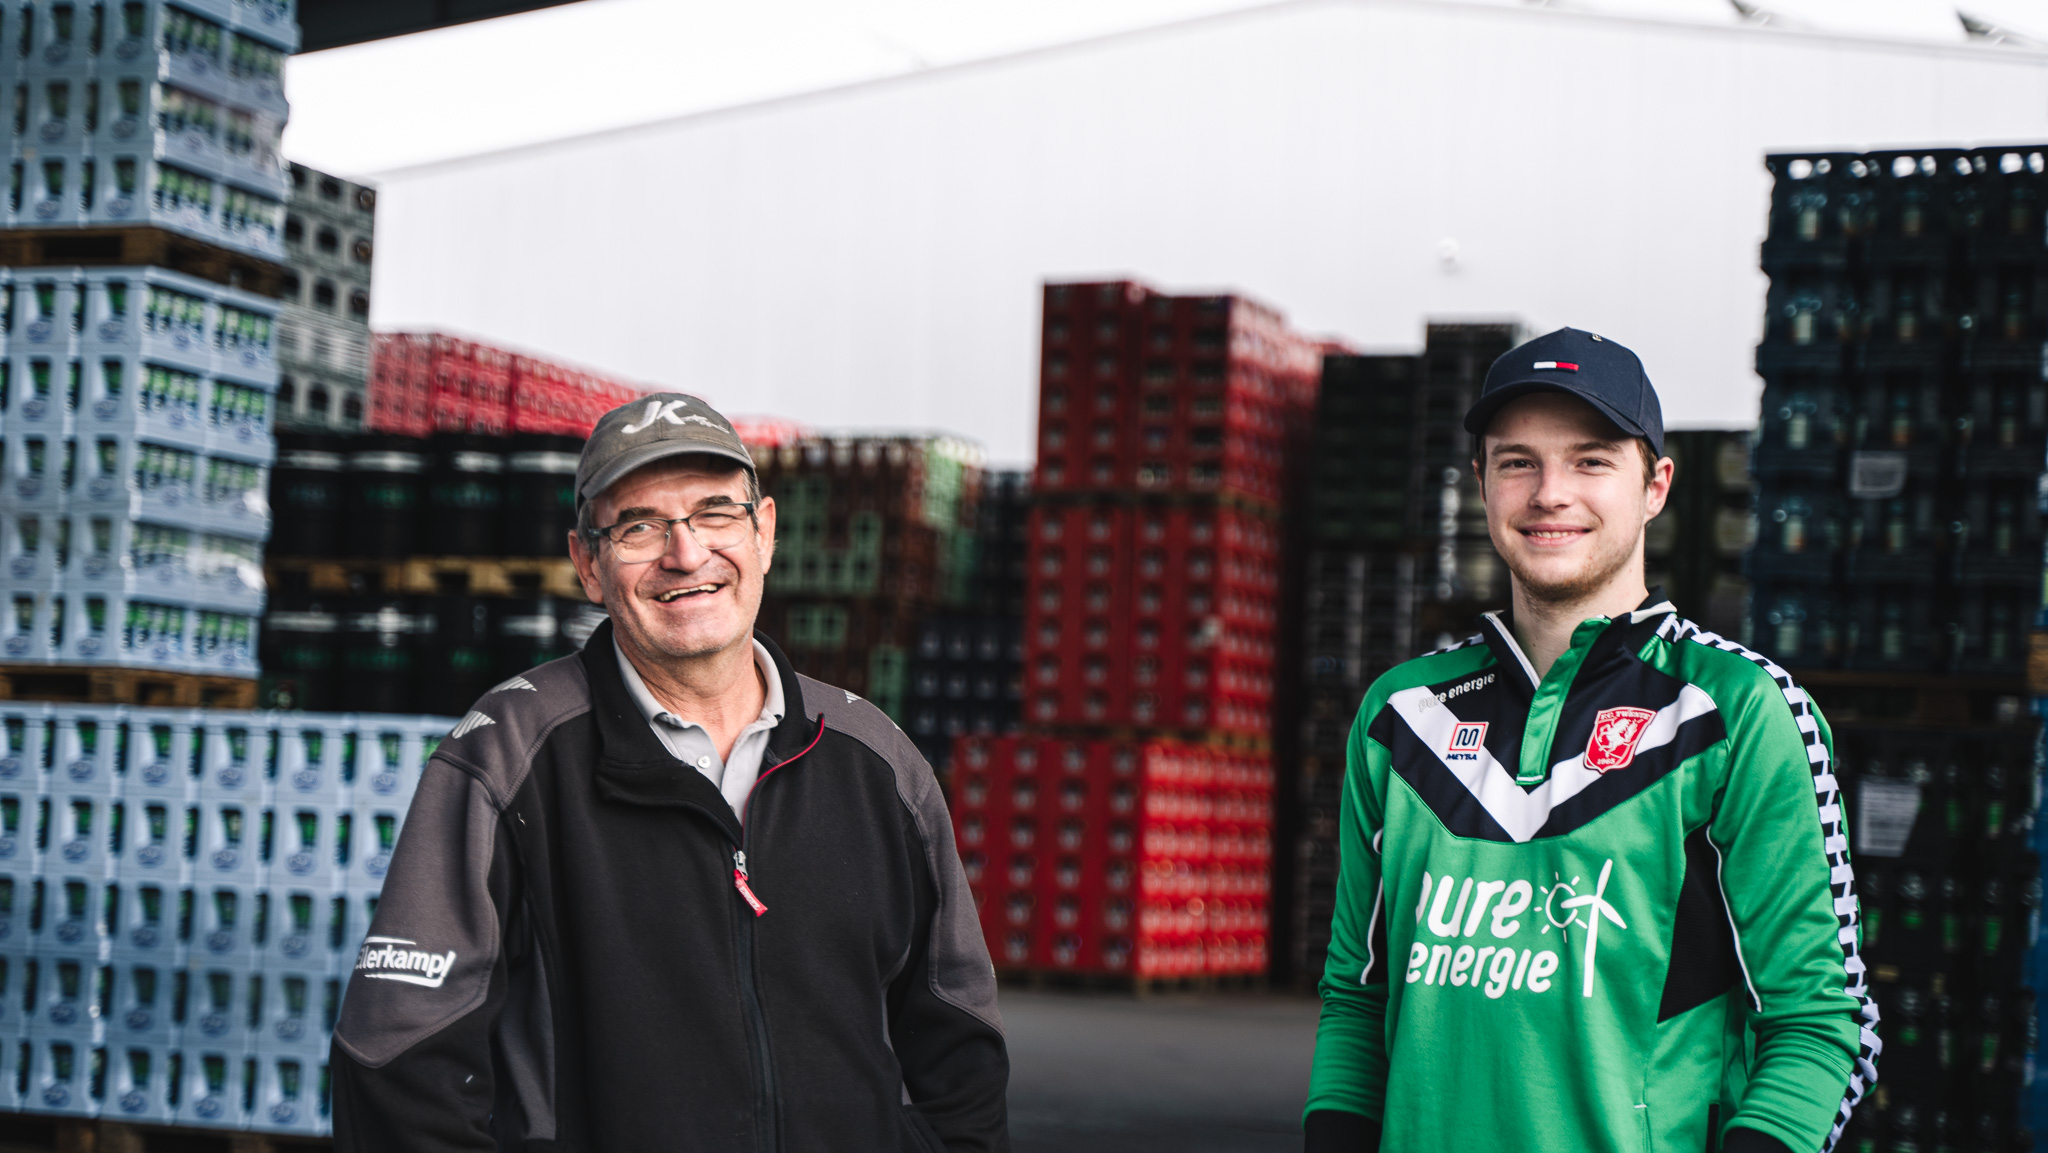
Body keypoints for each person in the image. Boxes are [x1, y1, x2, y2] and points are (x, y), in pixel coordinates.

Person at [330, 393, 1010, 1152]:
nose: (686, 554)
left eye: (716, 513)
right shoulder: (506, 756)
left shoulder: (877, 762)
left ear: (766, 533)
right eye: (639, 525)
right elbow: (394, 1056)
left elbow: (961, 1044)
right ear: (588, 564)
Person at [1303, 330, 1878, 1153]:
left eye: (1592, 460)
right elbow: (1356, 997)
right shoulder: (1402, 714)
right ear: (1480, 482)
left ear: (1656, 486)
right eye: (1517, 462)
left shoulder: (1737, 711)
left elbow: (1826, 1021)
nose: (1550, 492)